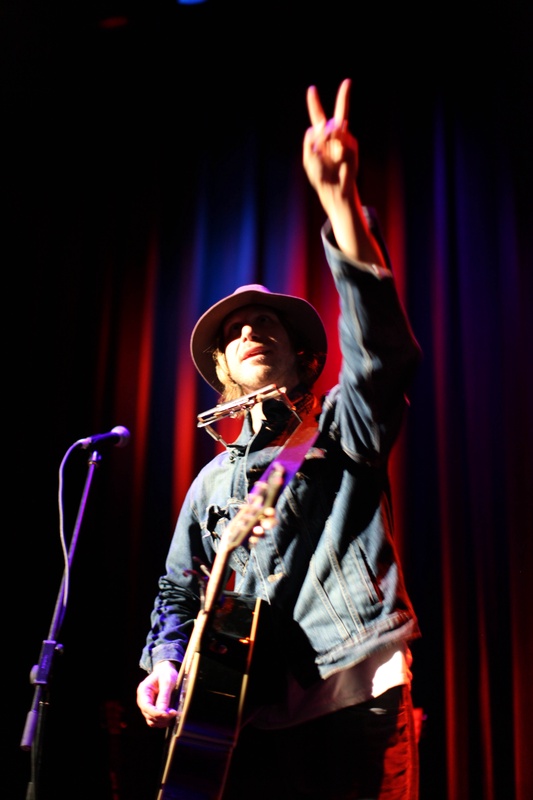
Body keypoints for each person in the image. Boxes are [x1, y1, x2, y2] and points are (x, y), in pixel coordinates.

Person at [136, 78, 422, 800]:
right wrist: (163, 664)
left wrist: (338, 202)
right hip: (243, 719)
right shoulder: (208, 485)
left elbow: (381, 355)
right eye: (233, 334)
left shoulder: (338, 427)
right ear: (222, 372)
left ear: (302, 357)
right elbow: (176, 590)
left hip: (352, 687)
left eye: (266, 326)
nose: (249, 331)